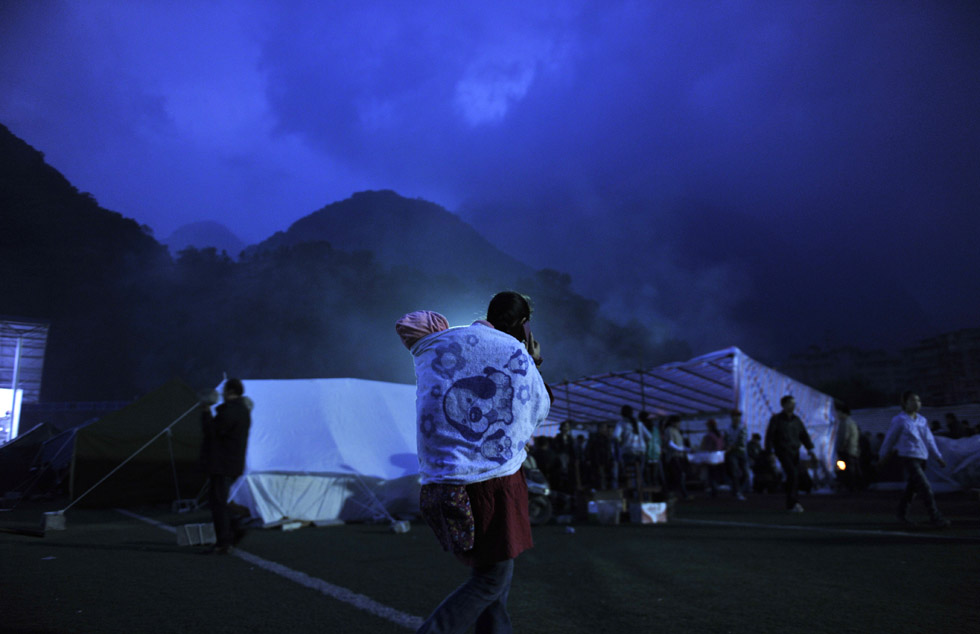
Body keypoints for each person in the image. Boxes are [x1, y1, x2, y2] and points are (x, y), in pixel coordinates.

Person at [397, 292, 551, 634]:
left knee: (493, 580)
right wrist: (533, 361)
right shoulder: (515, 353)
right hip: (493, 482)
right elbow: (539, 406)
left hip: (446, 480)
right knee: (491, 581)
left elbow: (410, 327)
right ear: (524, 324)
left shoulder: (447, 342)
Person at [879, 392, 950, 528]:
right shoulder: (900, 420)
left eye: (918, 400)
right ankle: (935, 517)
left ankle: (901, 514)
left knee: (912, 489)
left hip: (922, 458)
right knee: (925, 487)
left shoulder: (922, 420)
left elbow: (929, 440)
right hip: (909, 457)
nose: (917, 403)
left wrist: (938, 457)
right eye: (912, 400)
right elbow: (890, 439)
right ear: (904, 403)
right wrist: (882, 456)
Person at [200, 378, 252, 555]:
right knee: (220, 501)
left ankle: (224, 541)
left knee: (218, 503)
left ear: (230, 391)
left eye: (224, 390)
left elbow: (213, 432)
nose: (221, 393)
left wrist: (206, 412)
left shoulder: (230, 411)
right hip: (233, 462)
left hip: (222, 463)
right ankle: (235, 529)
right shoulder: (243, 410)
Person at [764, 395, 815, 513]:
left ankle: (792, 501)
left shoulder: (797, 420)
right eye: (790, 403)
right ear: (783, 405)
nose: (793, 406)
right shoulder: (776, 420)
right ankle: (793, 503)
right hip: (782, 451)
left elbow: (804, 435)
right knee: (792, 473)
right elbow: (770, 436)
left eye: (794, 404)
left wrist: (811, 449)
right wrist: (770, 452)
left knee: (795, 475)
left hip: (795, 451)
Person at [615, 405, 651, 489]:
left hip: (628, 451)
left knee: (630, 475)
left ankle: (632, 493)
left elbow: (615, 436)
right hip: (641, 451)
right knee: (640, 474)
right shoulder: (639, 423)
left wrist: (621, 442)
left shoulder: (621, 423)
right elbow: (649, 436)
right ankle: (640, 492)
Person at [834, 401, 863, 492]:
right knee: (854, 469)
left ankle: (851, 488)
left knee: (848, 470)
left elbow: (844, 437)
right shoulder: (852, 422)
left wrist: (840, 447)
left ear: (842, 412)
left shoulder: (845, 423)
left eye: (837, 412)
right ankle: (857, 487)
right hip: (853, 450)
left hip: (847, 450)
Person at [723, 410, 749, 500]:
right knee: (734, 473)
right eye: (734, 416)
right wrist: (727, 447)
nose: (736, 418)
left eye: (738, 416)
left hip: (741, 452)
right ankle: (738, 491)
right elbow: (725, 440)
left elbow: (742, 441)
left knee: (745, 473)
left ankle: (737, 490)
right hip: (732, 453)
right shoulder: (727, 428)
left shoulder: (742, 428)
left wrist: (731, 447)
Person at [664, 416, 691, 500]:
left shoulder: (677, 431)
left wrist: (686, 449)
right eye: (678, 422)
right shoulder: (669, 430)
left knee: (678, 475)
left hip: (679, 456)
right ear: (673, 422)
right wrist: (680, 449)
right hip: (673, 456)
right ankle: (683, 494)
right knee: (679, 475)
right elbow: (670, 443)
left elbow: (680, 444)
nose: (679, 424)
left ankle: (673, 494)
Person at [699, 419, 726, 497]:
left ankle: (714, 490)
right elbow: (722, 445)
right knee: (716, 474)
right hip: (719, 456)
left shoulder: (709, 435)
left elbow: (705, 446)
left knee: (711, 474)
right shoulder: (719, 435)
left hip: (711, 456)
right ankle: (715, 489)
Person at [642, 412, 665, 490]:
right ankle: (653, 492)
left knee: (654, 475)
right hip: (650, 455)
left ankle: (657, 493)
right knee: (651, 475)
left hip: (654, 454)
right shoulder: (647, 429)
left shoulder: (654, 430)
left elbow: (658, 442)